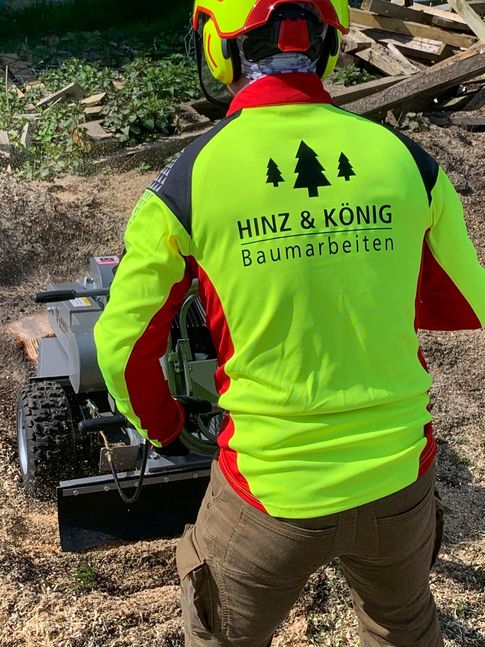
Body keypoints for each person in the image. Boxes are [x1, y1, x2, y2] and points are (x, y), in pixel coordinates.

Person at [94, 1, 485, 645]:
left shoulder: (185, 181)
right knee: (404, 627)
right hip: (397, 478)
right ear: (329, 47)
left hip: (267, 493)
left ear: (218, 48)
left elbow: (120, 347)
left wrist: (165, 429)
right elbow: (470, 299)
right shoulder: (407, 161)